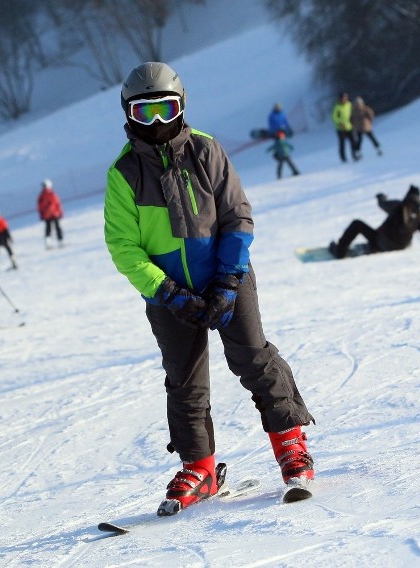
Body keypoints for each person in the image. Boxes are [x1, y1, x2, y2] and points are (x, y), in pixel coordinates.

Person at [105, 61, 315, 516]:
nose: (158, 123)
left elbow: (237, 216)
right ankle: (199, 467)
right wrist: (168, 293)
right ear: (129, 115)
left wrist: (226, 280)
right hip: (168, 294)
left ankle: (290, 444)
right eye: (146, 113)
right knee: (184, 378)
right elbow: (123, 247)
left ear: (182, 108)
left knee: (252, 356)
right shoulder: (123, 175)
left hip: (227, 277)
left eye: (166, 109)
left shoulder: (206, 151)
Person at [328, 185, 420, 259]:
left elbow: (382, 204)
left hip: (380, 242)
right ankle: (373, 247)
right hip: (400, 246)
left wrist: (381, 197)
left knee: (356, 224)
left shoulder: (398, 206)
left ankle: (340, 251)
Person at [350, 96, 382, 160]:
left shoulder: (353, 110)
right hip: (366, 126)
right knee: (371, 138)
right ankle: (378, 149)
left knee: (359, 140)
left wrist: (353, 125)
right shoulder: (364, 108)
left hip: (359, 127)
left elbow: (351, 119)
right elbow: (371, 114)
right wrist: (370, 121)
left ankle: (358, 152)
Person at [37, 179, 64, 248]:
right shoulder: (46, 195)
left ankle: (56, 241)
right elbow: (57, 204)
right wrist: (60, 212)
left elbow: (57, 204)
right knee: (52, 228)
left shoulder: (46, 195)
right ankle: (58, 241)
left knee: (52, 228)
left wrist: (42, 214)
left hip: (51, 214)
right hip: (51, 214)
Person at [331, 92, 353, 162]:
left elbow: (352, 113)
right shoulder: (337, 106)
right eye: (344, 98)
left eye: (346, 97)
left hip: (349, 126)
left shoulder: (349, 104)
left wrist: (353, 121)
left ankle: (355, 154)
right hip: (341, 128)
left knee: (353, 141)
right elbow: (334, 117)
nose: (345, 99)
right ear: (340, 99)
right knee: (342, 143)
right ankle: (343, 158)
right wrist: (340, 122)